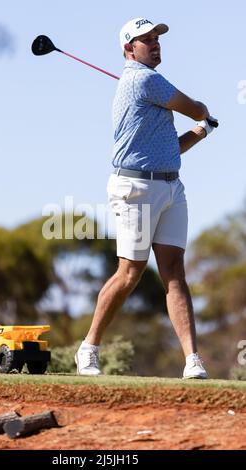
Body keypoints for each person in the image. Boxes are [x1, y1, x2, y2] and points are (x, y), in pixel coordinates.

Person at [75, 17, 218, 378]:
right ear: (129, 49)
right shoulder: (144, 79)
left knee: (174, 274)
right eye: (146, 40)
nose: (155, 44)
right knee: (129, 273)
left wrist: (201, 133)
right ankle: (88, 347)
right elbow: (194, 107)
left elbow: (169, 151)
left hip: (170, 185)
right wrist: (205, 113)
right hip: (135, 189)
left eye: (157, 39)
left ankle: (192, 360)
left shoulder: (146, 85)